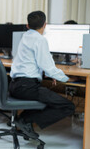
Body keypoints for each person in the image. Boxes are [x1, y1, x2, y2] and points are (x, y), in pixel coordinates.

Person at [9, 11, 76, 139]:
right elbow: (48, 67)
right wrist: (67, 79)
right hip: (27, 87)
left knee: (48, 98)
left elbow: (34, 62)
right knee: (68, 106)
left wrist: (49, 74)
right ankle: (24, 120)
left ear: (27, 25)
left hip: (15, 85)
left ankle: (23, 119)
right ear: (45, 24)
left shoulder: (25, 37)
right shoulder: (40, 40)